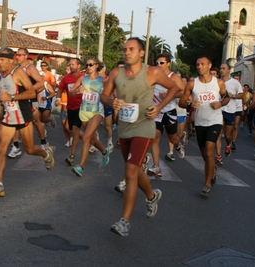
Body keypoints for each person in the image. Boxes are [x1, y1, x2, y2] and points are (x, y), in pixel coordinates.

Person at [101, 37, 178, 236]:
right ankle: (152, 196)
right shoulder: (116, 73)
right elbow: (104, 95)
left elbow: (174, 88)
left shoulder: (152, 72)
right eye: (124, 49)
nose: (126, 52)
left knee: (129, 172)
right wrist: (112, 102)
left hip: (144, 128)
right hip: (125, 129)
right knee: (135, 172)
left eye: (131, 49)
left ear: (141, 53)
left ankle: (124, 221)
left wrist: (159, 107)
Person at [0, 48, 54, 197]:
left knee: (29, 149)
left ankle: (46, 154)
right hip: (9, 116)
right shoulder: (0, 75)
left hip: (23, 115)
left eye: (2, 60)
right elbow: (2, 93)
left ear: (10, 60)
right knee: (1, 149)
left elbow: (31, 92)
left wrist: (13, 96)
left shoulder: (18, 72)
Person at [179, 56, 229, 197]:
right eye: (197, 64)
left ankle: (207, 184)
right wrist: (190, 104)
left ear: (209, 65)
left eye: (202, 64)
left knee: (209, 150)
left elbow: (226, 97)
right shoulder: (192, 84)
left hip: (215, 120)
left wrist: (221, 103)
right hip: (200, 122)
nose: (199, 66)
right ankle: (212, 170)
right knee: (204, 154)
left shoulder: (218, 83)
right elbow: (182, 102)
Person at [68, 57, 110, 177]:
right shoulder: (82, 78)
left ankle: (80, 167)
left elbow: (111, 92)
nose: (88, 67)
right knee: (91, 139)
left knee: (86, 138)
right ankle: (104, 151)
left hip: (97, 111)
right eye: (86, 65)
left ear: (97, 65)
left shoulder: (103, 80)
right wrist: (77, 91)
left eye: (90, 65)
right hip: (84, 112)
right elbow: (71, 92)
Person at [147, 53, 185, 177]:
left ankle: (178, 144)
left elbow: (182, 92)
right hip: (156, 111)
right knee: (154, 138)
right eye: (157, 62)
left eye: (162, 62)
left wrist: (170, 95)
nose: (159, 65)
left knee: (172, 138)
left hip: (169, 111)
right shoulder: (153, 75)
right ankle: (156, 166)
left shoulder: (173, 77)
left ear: (168, 63)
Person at [55, 58, 84, 166]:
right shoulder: (66, 78)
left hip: (82, 108)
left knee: (75, 130)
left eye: (73, 64)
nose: (71, 66)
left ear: (79, 66)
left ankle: (72, 156)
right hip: (70, 108)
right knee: (71, 129)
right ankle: (94, 141)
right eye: (70, 64)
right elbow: (60, 90)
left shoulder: (84, 78)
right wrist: (58, 99)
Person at [218, 63, 243, 158]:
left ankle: (228, 145)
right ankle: (218, 155)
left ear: (228, 70)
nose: (221, 70)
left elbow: (241, 95)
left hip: (230, 110)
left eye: (224, 68)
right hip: (219, 110)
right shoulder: (217, 82)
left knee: (227, 135)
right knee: (219, 134)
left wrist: (233, 96)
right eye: (220, 68)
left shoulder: (235, 83)